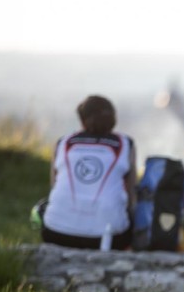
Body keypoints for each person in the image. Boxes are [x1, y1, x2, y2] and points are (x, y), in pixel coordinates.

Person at [41, 95, 136, 250]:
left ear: (82, 118)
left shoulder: (64, 142)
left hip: (55, 231)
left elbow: (54, 185)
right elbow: (131, 195)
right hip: (109, 238)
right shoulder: (125, 144)